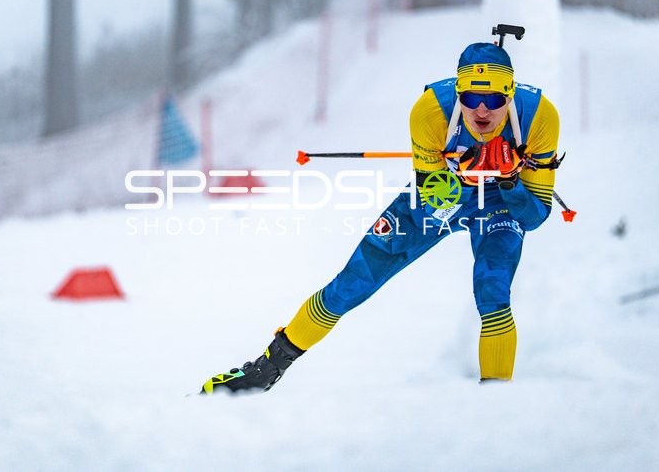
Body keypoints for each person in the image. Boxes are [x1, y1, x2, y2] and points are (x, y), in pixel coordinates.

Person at [201, 40, 561, 394]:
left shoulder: (541, 116)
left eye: (495, 100)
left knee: (493, 289)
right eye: (470, 99)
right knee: (352, 283)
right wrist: (466, 178)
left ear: (510, 95)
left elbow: (534, 216)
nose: (482, 110)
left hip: (500, 200)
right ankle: (267, 368)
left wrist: (511, 181)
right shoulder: (431, 111)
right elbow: (433, 206)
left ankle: (497, 399)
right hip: (446, 190)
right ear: (458, 92)